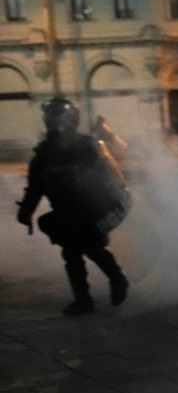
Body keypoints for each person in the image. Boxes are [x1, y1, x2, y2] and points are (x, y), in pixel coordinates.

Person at [17, 98, 131, 316]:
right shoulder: (44, 154)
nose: (53, 122)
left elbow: (107, 179)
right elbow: (35, 187)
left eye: (58, 116)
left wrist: (105, 208)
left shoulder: (87, 146)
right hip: (65, 212)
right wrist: (26, 211)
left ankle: (116, 279)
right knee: (71, 254)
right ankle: (84, 299)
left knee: (92, 248)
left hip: (89, 210)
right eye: (50, 117)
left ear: (70, 119)